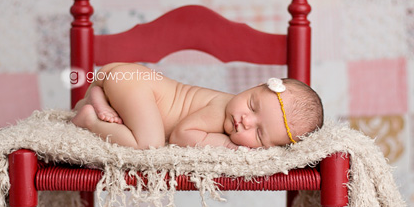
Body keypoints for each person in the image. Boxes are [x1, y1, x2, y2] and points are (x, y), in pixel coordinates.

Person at [71, 62, 323, 150]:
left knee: (140, 123)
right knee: (149, 143)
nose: (246, 121)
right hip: (135, 83)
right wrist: (227, 145)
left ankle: (100, 98)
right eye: (252, 106)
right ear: (255, 86)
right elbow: (181, 135)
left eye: (258, 133)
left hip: (125, 79)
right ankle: (90, 119)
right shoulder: (220, 108)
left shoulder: (234, 113)